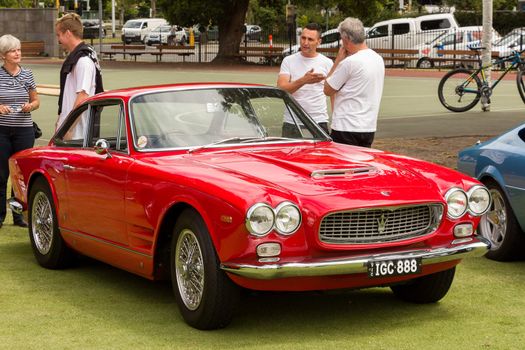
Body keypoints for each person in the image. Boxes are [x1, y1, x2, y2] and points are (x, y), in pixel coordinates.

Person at [324, 17, 385, 148]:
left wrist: (338, 61)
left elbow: (327, 89)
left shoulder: (349, 62)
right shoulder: (378, 59)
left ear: (346, 39)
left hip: (346, 126)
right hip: (368, 126)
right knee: (361, 165)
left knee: (344, 166)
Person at [0, 34, 40, 228]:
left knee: (20, 176)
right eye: (12, 50)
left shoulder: (27, 74)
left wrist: (30, 106)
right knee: (1, 175)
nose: (17, 53)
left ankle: (18, 217)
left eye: (19, 50)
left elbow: (36, 101)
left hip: (24, 130)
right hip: (2, 131)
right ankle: (0, 217)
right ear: (3, 55)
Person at [277, 23, 333, 136]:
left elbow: (333, 93)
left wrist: (336, 118)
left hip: (318, 121)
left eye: (310, 39)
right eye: (303, 38)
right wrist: (304, 80)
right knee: (291, 154)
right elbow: (281, 89)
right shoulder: (288, 60)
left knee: (318, 154)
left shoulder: (327, 63)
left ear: (319, 42)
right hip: (292, 121)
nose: (305, 42)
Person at [55, 12, 103, 138]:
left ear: (68, 33)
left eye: (59, 35)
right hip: (71, 130)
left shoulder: (84, 61)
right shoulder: (77, 59)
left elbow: (82, 98)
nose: (58, 40)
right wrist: (59, 121)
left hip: (78, 135)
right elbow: (66, 97)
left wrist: (67, 129)